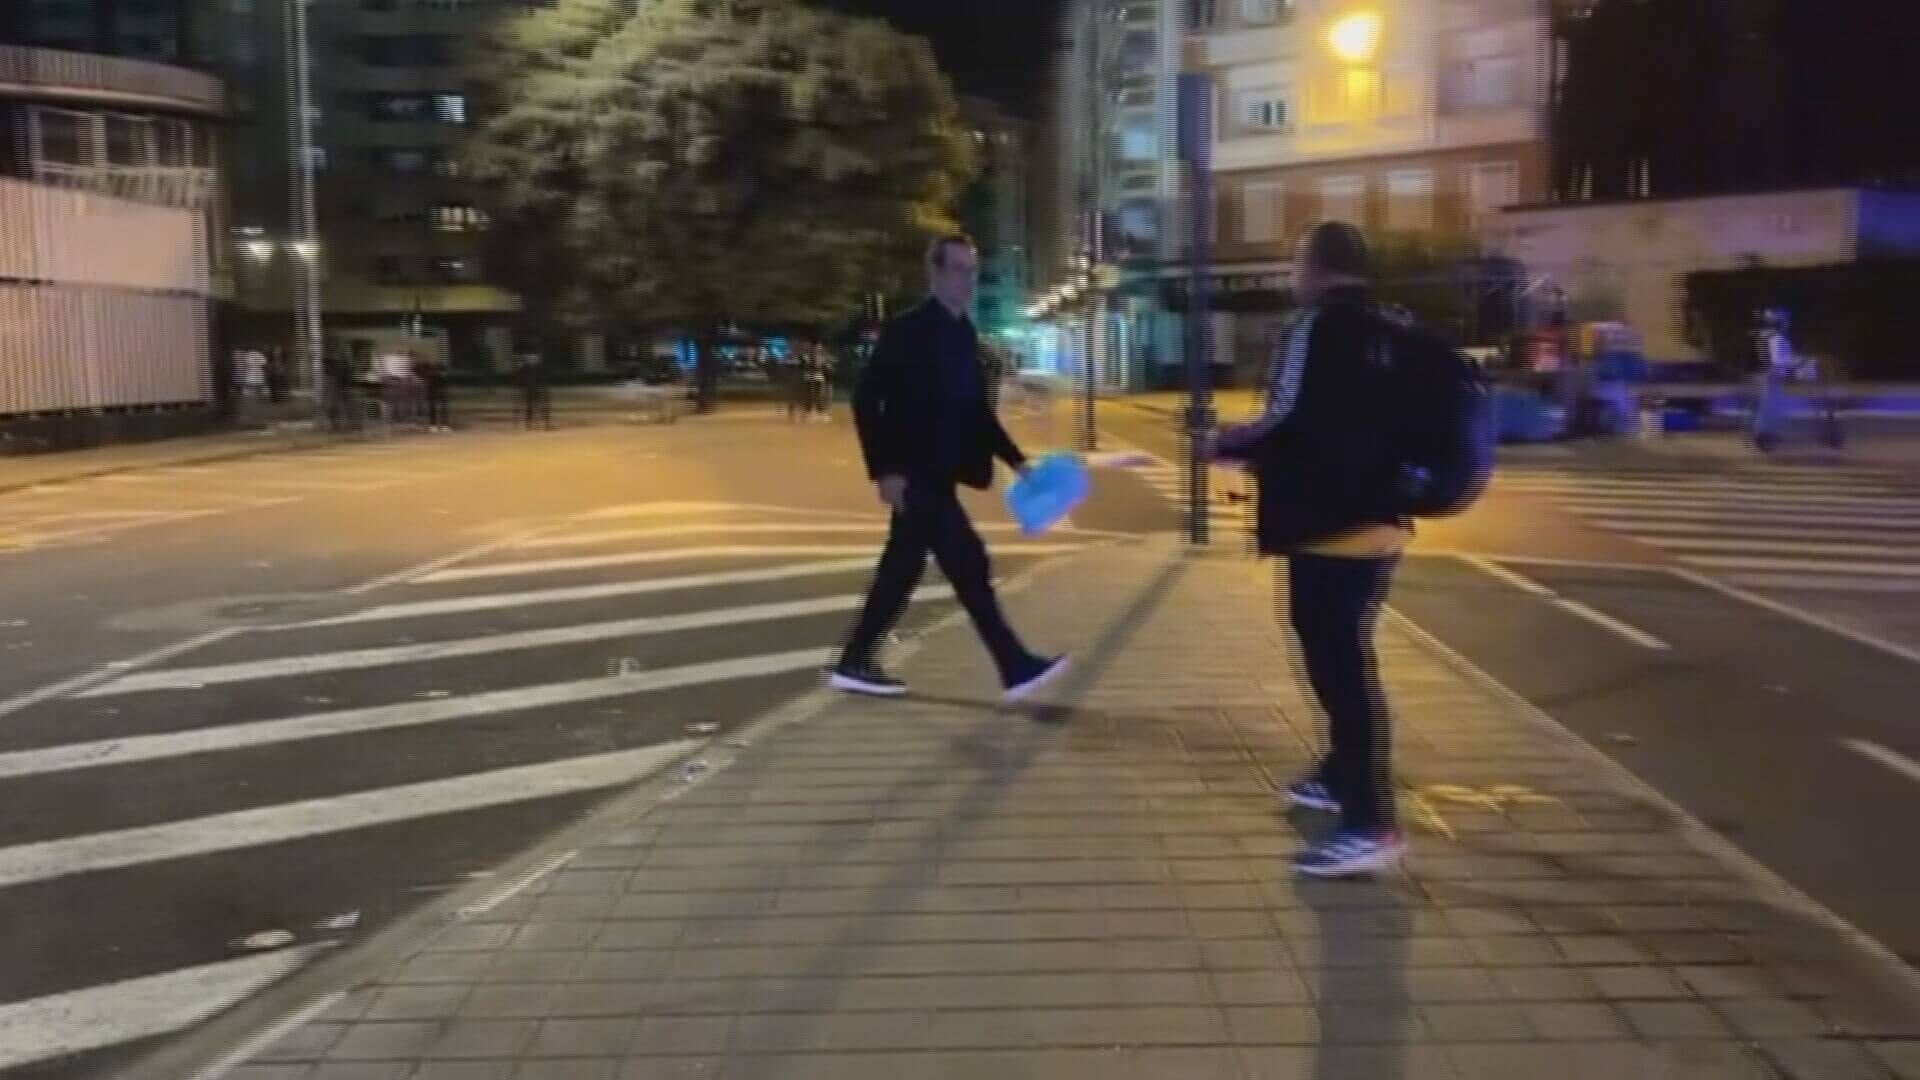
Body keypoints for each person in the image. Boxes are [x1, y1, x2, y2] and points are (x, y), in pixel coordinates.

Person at [1212, 221, 1412, 878]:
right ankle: (1338, 776)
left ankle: (1370, 822)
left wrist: (1225, 443)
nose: (1294, 275)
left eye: (1298, 262)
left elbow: (1288, 419)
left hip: (1328, 526)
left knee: (1340, 670)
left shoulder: (1315, 328)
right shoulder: (1389, 330)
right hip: (1381, 522)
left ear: (1316, 267)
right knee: (1345, 659)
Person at [831, 233, 1068, 702]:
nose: (968, 280)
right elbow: (866, 400)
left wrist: (1019, 464)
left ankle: (854, 661)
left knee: (904, 568)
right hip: (916, 475)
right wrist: (885, 470)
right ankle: (1014, 666)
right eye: (958, 269)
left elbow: (976, 414)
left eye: (973, 270)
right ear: (936, 274)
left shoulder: (964, 336)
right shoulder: (907, 331)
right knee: (966, 563)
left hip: (941, 474)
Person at [518, 350, 552, 430]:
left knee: (540, 406)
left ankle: (545, 424)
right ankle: (530, 424)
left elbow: (543, 378)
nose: (532, 360)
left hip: (536, 389)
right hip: (531, 389)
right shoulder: (526, 368)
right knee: (531, 407)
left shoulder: (537, 368)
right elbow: (521, 379)